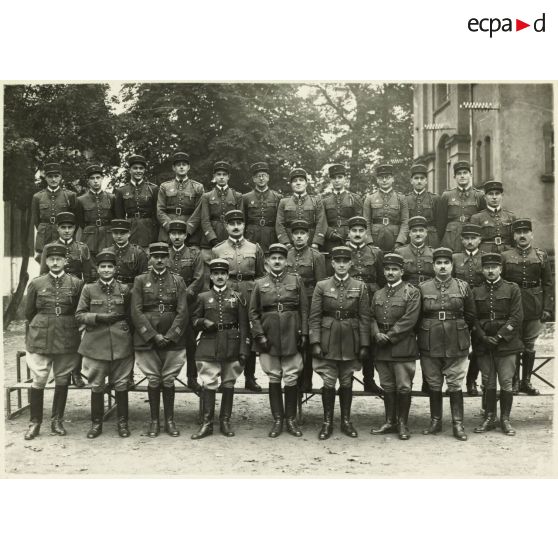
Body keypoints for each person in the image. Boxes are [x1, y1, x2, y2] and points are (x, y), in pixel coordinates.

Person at [309, 246, 371, 440]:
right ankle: (327, 422)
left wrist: (364, 344)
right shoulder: (322, 286)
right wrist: (315, 341)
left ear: (351, 263)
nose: (342, 264)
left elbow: (364, 318)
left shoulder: (360, 286)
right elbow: (315, 316)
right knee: (328, 380)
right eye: (338, 261)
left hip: (350, 339)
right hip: (329, 339)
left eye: (346, 261)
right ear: (332, 263)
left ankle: (345, 421)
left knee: (346, 379)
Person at [23, 244, 84, 440]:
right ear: (46, 261)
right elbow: (29, 312)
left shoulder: (76, 284)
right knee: (39, 379)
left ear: (66, 261)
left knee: (62, 378)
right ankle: (35, 422)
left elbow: (79, 310)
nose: (55, 263)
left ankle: (57, 420)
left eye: (59, 259)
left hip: (67, 334)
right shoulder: (36, 283)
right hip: (41, 333)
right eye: (51, 259)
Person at [249, 243, 308, 437]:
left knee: (291, 375)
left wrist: (304, 333)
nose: (277, 261)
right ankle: (277, 420)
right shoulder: (259, 284)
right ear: (267, 262)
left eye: (280, 258)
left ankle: (290, 419)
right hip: (269, 335)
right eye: (273, 258)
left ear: (286, 261)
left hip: (292, 334)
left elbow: (304, 309)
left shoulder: (296, 280)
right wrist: (259, 335)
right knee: (274, 375)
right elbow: (253, 312)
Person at [131, 242, 189, 438]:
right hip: (147, 339)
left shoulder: (178, 281)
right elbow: (136, 311)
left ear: (169, 258)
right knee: (154, 379)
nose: (159, 260)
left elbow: (183, 312)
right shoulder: (140, 280)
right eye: (155, 256)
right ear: (150, 259)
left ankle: (170, 421)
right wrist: (152, 335)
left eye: (163, 256)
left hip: (173, 340)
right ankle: (154, 421)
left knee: (169, 379)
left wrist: (171, 335)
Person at [418, 247, 476, 441]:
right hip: (430, 339)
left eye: (446, 263)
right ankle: (435, 421)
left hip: (455, 339)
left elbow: (470, 315)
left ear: (452, 265)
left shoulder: (462, 286)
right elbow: (417, 316)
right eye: (439, 263)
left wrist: (459, 330)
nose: (442, 266)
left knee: (455, 382)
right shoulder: (423, 287)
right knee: (434, 382)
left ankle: (457, 424)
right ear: (433, 266)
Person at [75, 250, 133, 438]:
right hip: (96, 344)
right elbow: (79, 315)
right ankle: (96, 424)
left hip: (121, 343)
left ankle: (123, 423)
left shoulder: (124, 289)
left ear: (115, 269)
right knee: (97, 385)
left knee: (122, 384)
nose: (106, 270)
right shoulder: (88, 289)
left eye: (110, 266)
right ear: (97, 269)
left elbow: (132, 315)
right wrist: (98, 317)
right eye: (103, 267)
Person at [191, 258, 250, 439]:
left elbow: (244, 325)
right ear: (211, 276)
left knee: (228, 382)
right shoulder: (202, 297)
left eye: (222, 274)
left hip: (232, 343)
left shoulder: (237, 297)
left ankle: (225, 421)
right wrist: (202, 322)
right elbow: (193, 321)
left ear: (227, 276)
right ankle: (207, 423)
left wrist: (243, 349)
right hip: (209, 344)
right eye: (216, 274)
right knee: (209, 382)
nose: (219, 277)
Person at [212, 209, 266, 392]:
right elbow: (212, 277)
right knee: (226, 333)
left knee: (248, 334)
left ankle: (250, 377)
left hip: (249, 294)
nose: (236, 226)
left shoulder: (254, 248)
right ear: (226, 226)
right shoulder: (218, 249)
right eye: (232, 223)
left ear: (244, 225)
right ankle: (225, 378)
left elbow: (260, 275)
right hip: (227, 293)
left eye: (239, 223)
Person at [471, 253, 523, 436]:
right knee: (488, 381)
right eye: (487, 268)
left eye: (494, 267)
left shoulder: (512, 288)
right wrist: (483, 337)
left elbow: (516, 317)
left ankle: (505, 420)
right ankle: (490, 418)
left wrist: (500, 336)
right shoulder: (476, 291)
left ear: (500, 269)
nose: (490, 270)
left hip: (506, 343)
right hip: (484, 343)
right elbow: (473, 318)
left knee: (506, 382)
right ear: (482, 270)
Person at [370, 253, 421, 440]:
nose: (390, 273)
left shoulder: (411, 292)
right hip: (381, 348)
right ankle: (389, 421)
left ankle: (402, 423)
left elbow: (410, 319)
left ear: (402, 271)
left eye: (394, 269)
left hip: (402, 346)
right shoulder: (378, 293)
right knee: (387, 386)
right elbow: (371, 317)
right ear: (383, 272)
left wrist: (389, 336)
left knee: (403, 387)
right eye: (388, 269)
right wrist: (376, 333)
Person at [502, 219, 554, 395]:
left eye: (525, 232)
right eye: (518, 233)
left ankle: (527, 381)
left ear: (532, 234)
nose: (522, 235)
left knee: (529, 344)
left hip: (534, 304)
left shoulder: (540, 255)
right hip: (512, 305)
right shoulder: (506, 256)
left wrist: (547, 307)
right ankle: (515, 382)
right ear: (514, 236)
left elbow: (548, 283)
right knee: (514, 343)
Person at [286, 219, 327, 393]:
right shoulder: (286, 254)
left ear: (308, 236)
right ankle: (293, 379)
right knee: (293, 340)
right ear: (292, 236)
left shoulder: (316, 256)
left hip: (309, 301)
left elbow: (320, 285)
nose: (299, 237)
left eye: (303, 233)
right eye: (296, 234)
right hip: (290, 301)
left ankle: (306, 379)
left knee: (307, 342)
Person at [346, 215, 384, 394]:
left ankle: (369, 379)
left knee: (369, 339)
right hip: (349, 297)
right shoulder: (342, 251)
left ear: (366, 233)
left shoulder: (375, 252)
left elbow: (382, 280)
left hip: (370, 298)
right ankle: (347, 380)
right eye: (354, 231)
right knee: (351, 338)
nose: (358, 234)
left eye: (361, 231)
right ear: (349, 233)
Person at [167, 219, 204, 393]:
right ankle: (167, 378)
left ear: (185, 235)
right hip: (166, 306)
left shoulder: (194, 254)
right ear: (169, 235)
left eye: (180, 234)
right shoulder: (164, 254)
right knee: (167, 340)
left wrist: (183, 296)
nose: (177, 237)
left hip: (188, 305)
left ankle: (192, 378)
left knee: (190, 342)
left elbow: (198, 279)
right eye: (173, 233)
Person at [452, 223, 485, 395]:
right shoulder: (454, 258)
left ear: (480, 240)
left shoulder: (486, 258)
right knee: (457, 345)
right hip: (460, 308)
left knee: (479, 345)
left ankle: (472, 380)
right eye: (467, 238)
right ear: (462, 240)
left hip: (481, 308)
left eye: (473, 238)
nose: (470, 241)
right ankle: (452, 382)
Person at [29, 162, 77, 261]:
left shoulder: (69, 195)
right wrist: (44, 228)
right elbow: (36, 220)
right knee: (44, 263)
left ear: (61, 177)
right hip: (44, 234)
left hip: (63, 234)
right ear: (45, 178)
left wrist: (67, 233)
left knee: (64, 261)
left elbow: (74, 219)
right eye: (50, 176)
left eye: (56, 176)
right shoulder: (38, 197)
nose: (53, 179)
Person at [436, 161, 485, 252]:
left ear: (470, 175)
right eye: (459, 173)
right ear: (454, 177)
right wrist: (440, 242)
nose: (462, 176)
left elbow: (483, 220)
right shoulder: (447, 196)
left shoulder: (479, 195)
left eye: (465, 173)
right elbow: (440, 223)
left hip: (471, 238)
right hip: (450, 239)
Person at [157, 151, 204, 245]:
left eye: (184, 164)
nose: (181, 167)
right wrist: (170, 227)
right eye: (178, 165)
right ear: (174, 168)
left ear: (188, 167)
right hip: (168, 232)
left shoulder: (198, 187)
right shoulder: (165, 186)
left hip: (190, 233)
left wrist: (188, 229)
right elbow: (160, 210)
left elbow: (199, 211)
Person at [276, 168, 327, 250]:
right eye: (295, 181)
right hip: (290, 244)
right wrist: (286, 243)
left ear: (306, 183)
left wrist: (316, 243)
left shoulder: (316, 201)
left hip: (311, 244)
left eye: (301, 180)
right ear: (291, 184)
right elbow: (279, 224)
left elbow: (321, 222)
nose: (298, 183)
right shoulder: (284, 202)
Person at [115, 154, 159, 249]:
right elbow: (119, 216)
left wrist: (154, 231)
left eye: (141, 168)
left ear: (144, 170)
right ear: (130, 170)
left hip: (148, 229)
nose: (138, 171)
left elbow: (157, 213)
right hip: (130, 228)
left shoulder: (153, 189)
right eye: (135, 168)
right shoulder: (121, 190)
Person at [363, 164, 409, 251]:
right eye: (381, 177)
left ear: (393, 179)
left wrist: (400, 241)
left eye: (387, 177)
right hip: (375, 239)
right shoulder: (370, 198)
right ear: (377, 180)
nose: (384, 180)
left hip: (395, 239)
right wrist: (369, 242)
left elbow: (405, 222)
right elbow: (366, 222)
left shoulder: (401, 198)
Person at [321, 163, 364, 256]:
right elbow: (322, 221)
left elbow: (359, 219)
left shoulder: (354, 198)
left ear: (345, 179)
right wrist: (330, 233)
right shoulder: (324, 201)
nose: (337, 180)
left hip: (350, 239)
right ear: (330, 180)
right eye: (334, 178)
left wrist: (350, 235)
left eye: (340, 177)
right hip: (331, 240)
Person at [39, 212, 95, 283]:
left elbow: (88, 276)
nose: (67, 231)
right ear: (57, 228)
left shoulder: (82, 248)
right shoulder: (49, 248)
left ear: (74, 228)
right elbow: (43, 274)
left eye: (70, 227)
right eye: (63, 227)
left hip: (77, 289)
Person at [75, 164, 115, 257]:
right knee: (91, 262)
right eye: (92, 178)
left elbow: (115, 218)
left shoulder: (111, 198)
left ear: (102, 179)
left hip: (107, 236)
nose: (95, 181)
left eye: (98, 178)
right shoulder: (81, 200)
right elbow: (80, 222)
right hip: (90, 236)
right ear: (88, 181)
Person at [242, 162, 282, 254]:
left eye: (263, 175)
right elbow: (243, 220)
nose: (261, 178)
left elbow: (279, 221)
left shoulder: (277, 197)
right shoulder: (246, 198)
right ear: (253, 179)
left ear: (268, 177)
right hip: (251, 236)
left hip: (270, 236)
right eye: (258, 176)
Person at [470, 180, 516, 254]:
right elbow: (473, 243)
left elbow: (515, 241)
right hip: (485, 253)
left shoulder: (511, 217)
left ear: (502, 196)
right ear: (485, 197)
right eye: (490, 194)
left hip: (507, 253)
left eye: (497, 194)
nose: (494, 197)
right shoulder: (477, 218)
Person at [405, 163, 440, 248]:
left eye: (422, 178)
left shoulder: (435, 198)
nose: (419, 181)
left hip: (430, 238)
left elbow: (440, 223)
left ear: (426, 181)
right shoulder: (405, 199)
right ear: (411, 181)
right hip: (411, 238)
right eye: (416, 178)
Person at [395, 215, 435, 287]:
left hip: (429, 289)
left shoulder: (432, 252)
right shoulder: (400, 252)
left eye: (421, 231)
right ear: (409, 233)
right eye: (414, 231)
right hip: (406, 289)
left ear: (426, 233)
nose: (418, 234)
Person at [108, 219, 149, 286]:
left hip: (132, 288)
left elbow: (143, 278)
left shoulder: (138, 253)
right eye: (116, 233)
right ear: (112, 234)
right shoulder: (107, 252)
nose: (119, 236)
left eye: (122, 233)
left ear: (129, 233)